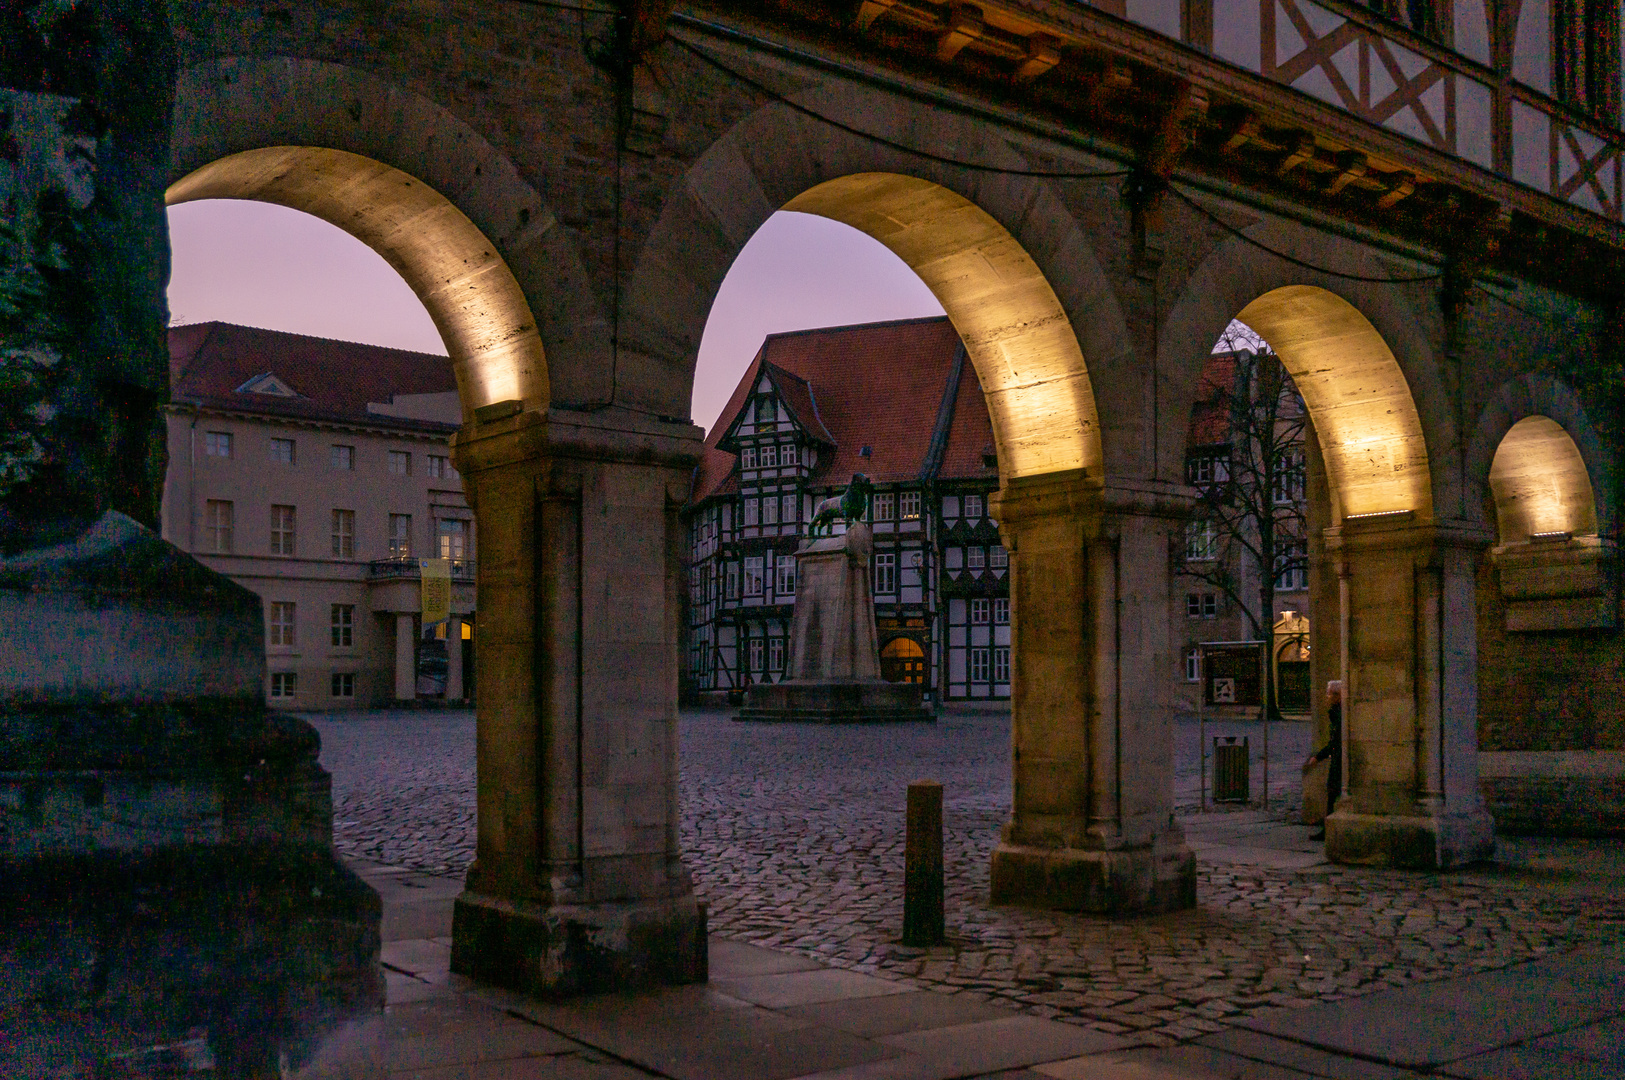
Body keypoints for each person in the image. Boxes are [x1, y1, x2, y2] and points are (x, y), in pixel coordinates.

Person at [1305, 681, 1342, 841]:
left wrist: (1319, 756)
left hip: (1339, 759)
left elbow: (1336, 741)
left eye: (1329, 694)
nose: (1327, 697)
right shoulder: (1336, 712)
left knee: (1333, 792)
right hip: (1338, 757)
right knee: (1333, 793)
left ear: (1337, 695)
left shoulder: (1339, 713)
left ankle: (1329, 830)